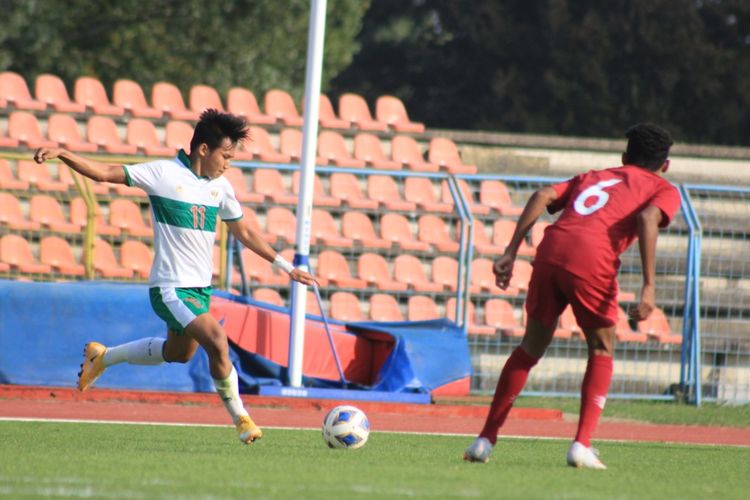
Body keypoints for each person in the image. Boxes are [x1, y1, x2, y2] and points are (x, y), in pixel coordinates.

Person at [33, 109, 316, 445]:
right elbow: (107, 173)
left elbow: (244, 230)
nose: (228, 164)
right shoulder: (163, 173)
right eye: (225, 156)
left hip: (199, 290)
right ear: (203, 150)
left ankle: (103, 357)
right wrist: (64, 154)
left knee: (179, 353)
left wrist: (286, 267)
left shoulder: (220, 188)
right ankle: (242, 418)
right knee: (217, 340)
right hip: (170, 288)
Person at [463, 123, 681, 469]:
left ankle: (484, 439)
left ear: (624, 157)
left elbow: (541, 196)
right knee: (601, 347)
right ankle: (581, 444)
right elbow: (647, 217)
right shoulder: (662, 187)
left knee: (530, 348)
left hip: (551, 250)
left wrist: (510, 251)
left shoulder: (594, 176)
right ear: (665, 164)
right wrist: (649, 286)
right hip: (591, 258)